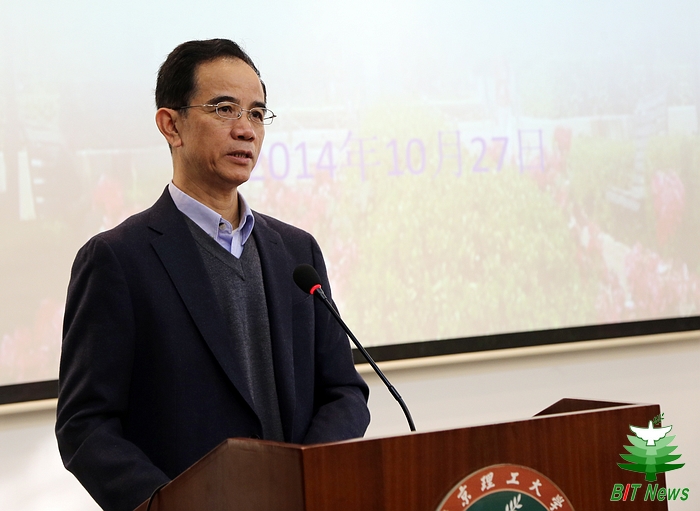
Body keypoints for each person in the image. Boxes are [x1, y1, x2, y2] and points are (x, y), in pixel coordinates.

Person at [55, 39, 370, 511]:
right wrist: (170, 503)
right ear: (171, 125)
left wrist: (306, 476)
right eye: (224, 109)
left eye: (257, 114)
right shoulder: (117, 260)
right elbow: (85, 425)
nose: (245, 130)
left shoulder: (296, 251)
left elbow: (344, 391)